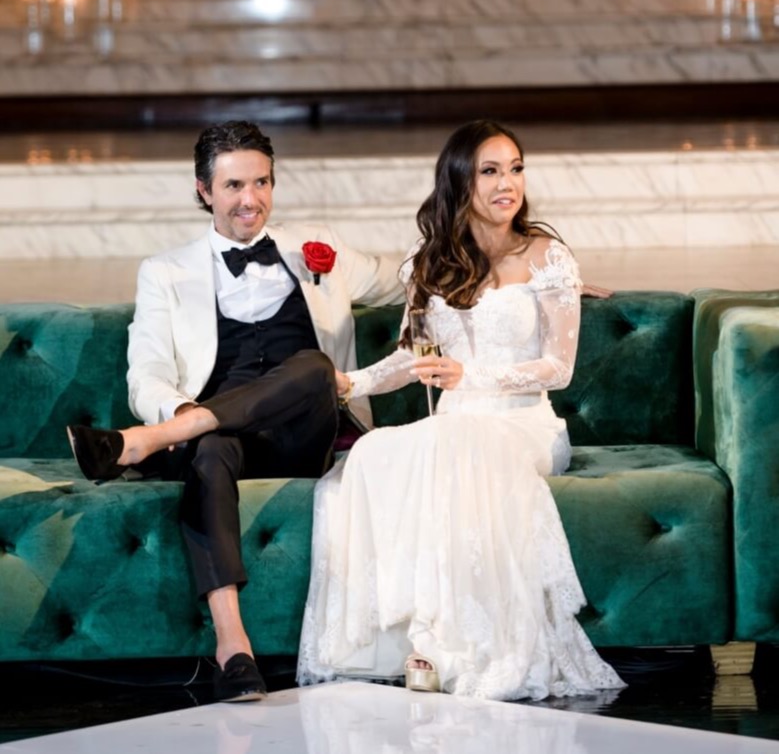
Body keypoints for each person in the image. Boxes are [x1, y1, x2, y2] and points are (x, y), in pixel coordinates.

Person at [66, 120, 404, 703]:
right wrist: (182, 407)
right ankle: (233, 646)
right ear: (204, 190)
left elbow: (412, 277)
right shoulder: (165, 272)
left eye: (262, 183)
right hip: (228, 439)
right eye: (233, 187)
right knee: (212, 447)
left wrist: (538, 278)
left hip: (307, 434)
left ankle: (145, 441)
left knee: (315, 369)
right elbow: (144, 373)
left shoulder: (317, 249)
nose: (251, 200)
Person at [297, 119, 625, 701]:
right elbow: (413, 357)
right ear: (458, 182)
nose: (508, 184)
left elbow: (559, 368)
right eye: (491, 171)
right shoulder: (429, 261)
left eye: (516, 169)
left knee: (458, 447)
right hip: (453, 424)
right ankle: (422, 638)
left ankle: (452, 647)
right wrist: (349, 384)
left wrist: (470, 373)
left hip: (524, 423)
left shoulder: (547, 255)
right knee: (377, 452)